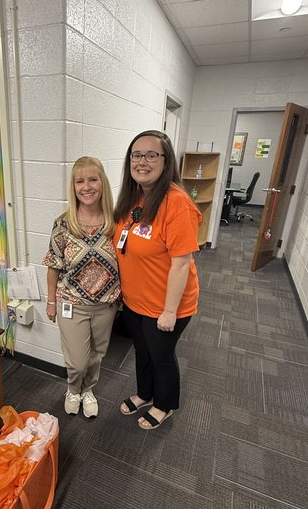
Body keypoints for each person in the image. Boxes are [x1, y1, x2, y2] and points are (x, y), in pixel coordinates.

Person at [113, 130, 201, 430]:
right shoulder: (134, 197)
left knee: (161, 355)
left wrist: (169, 311)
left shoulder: (177, 203)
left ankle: (164, 404)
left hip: (166, 305)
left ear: (166, 161)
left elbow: (181, 263)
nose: (142, 161)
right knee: (142, 351)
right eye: (136, 155)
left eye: (151, 155)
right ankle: (144, 393)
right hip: (135, 300)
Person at [43, 156, 121, 418]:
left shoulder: (116, 222)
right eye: (80, 181)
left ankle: (88, 391)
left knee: (97, 355)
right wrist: (51, 302)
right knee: (77, 361)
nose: (86, 187)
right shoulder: (63, 223)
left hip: (106, 304)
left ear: (103, 183)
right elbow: (53, 265)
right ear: (73, 187)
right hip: (71, 303)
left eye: (92, 179)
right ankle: (73, 389)